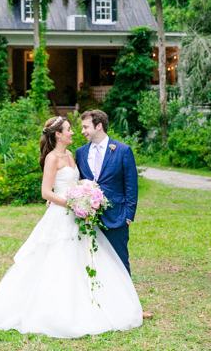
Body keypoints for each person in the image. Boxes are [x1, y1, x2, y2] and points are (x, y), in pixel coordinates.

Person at [0, 115, 143, 338]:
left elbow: (80, 182)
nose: (74, 132)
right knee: (57, 260)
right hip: (63, 215)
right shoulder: (52, 158)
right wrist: (74, 202)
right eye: (70, 129)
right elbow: (46, 191)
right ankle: (53, 310)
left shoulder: (73, 154)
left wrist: (85, 197)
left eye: (78, 128)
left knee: (85, 260)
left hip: (79, 216)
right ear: (58, 135)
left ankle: (96, 303)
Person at [76, 109, 152, 319]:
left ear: (98, 126)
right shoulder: (81, 153)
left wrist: (129, 215)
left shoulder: (122, 150)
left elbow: (131, 186)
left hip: (117, 216)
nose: (83, 131)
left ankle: (130, 308)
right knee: (92, 261)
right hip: (89, 217)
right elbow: (78, 181)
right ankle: (98, 304)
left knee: (119, 261)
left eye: (85, 127)